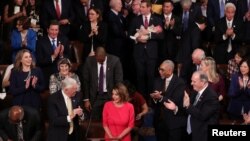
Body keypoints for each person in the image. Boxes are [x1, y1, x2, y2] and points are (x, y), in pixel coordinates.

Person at [128, 0, 164, 101]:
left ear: (149, 8)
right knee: (140, 77)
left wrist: (149, 36)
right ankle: (141, 100)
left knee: (151, 77)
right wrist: (137, 39)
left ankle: (150, 100)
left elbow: (161, 36)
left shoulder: (157, 19)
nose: (141, 8)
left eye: (143, 7)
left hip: (151, 54)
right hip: (138, 54)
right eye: (140, 7)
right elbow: (129, 35)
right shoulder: (135, 20)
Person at [82, 47, 123, 120]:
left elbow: (118, 81)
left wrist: (117, 96)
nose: (101, 62)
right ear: (95, 56)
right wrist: (86, 99)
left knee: (111, 118)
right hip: (95, 96)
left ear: (105, 55)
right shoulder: (89, 61)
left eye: (102, 61)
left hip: (110, 95)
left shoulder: (115, 61)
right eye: (99, 61)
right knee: (94, 119)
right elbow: (85, 81)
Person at [151, 60, 187, 141]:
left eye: (162, 70)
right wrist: (155, 98)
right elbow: (154, 102)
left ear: (170, 70)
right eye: (159, 69)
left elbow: (175, 101)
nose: (160, 71)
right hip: (159, 121)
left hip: (173, 123)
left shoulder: (179, 82)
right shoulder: (157, 81)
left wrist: (161, 97)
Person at [183, 71, 220, 141]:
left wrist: (188, 106)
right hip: (193, 131)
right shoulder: (195, 91)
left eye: (194, 81)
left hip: (203, 134)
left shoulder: (211, 96)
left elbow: (203, 115)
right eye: (191, 81)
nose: (191, 83)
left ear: (202, 82)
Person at [36, 20, 71, 87]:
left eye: (56, 30)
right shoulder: (40, 42)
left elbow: (69, 57)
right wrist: (53, 56)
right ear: (47, 30)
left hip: (62, 71)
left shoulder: (64, 39)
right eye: (52, 30)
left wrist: (61, 55)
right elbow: (39, 61)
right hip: (48, 71)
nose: (54, 32)